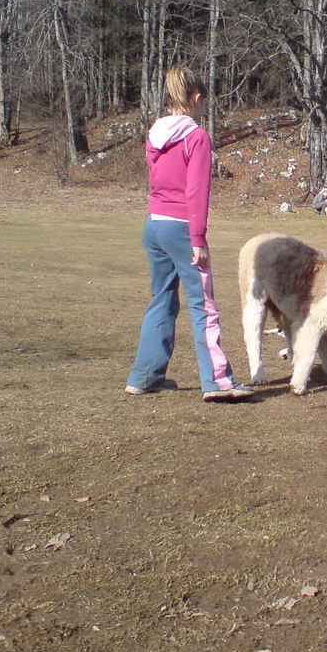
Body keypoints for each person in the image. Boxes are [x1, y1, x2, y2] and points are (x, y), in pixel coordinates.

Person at [125, 63, 255, 402]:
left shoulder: (155, 133)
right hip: (182, 228)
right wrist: (198, 239)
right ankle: (219, 382)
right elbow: (196, 192)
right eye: (204, 103)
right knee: (204, 305)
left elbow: (158, 182)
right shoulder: (196, 136)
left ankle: (145, 375)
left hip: (153, 225)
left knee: (162, 299)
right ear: (196, 98)